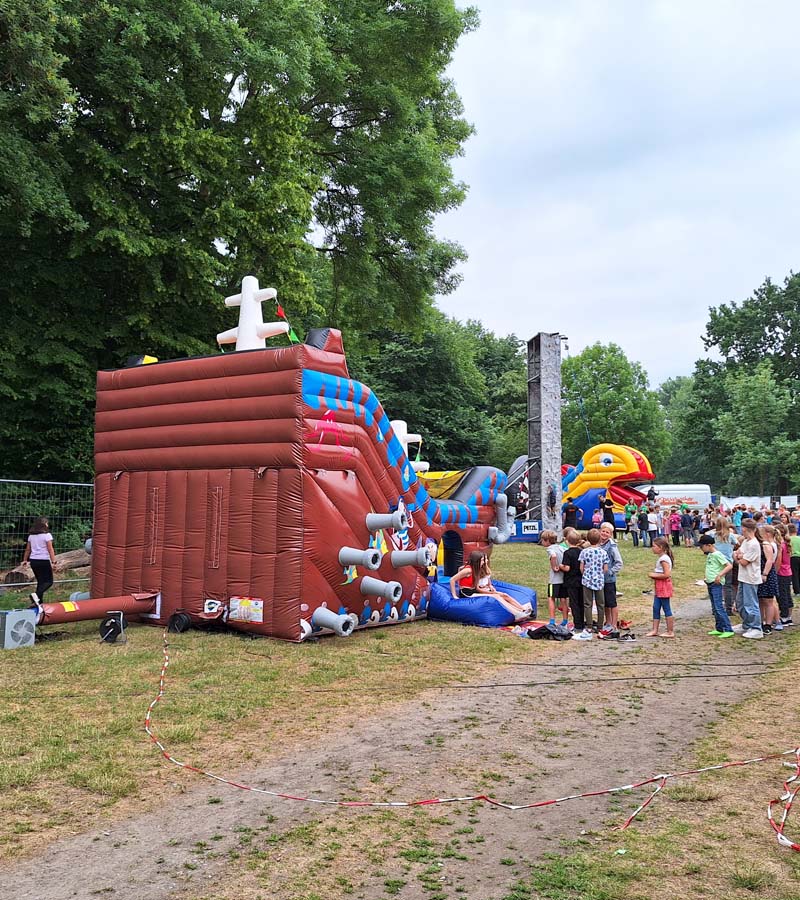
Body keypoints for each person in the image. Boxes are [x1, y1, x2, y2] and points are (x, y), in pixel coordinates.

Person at [450, 550, 532, 621]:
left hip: (473, 590)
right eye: (482, 560)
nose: (484, 562)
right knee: (497, 597)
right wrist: (454, 595)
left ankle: (522, 609)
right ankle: (516, 613)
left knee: (504, 595)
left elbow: (474, 583)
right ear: (476, 561)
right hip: (467, 593)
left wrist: (489, 588)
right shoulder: (468, 570)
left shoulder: (477, 569)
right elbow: (452, 579)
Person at [697, 535, 734, 637]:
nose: (701, 549)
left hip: (716, 584)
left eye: (702, 547)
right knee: (714, 607)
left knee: (719, 607)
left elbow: (729, 565)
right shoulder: (710, 555)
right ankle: (719, 628)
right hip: (710, 583)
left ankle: (728, 629)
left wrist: (720, 575)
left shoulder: (717, 554)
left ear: (708, 545)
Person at [732, 519, 763, 639]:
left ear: (745, 529)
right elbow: (737, 554)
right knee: (740, 603)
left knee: (751, 604)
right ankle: (746, 624)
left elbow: (744, 561)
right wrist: (738, 556)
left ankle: (756, 628)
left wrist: (739, 557)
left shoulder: (754, 544)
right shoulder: (745, 541)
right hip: (743, 577)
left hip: (751, 578)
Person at [22, 516, 56, 604]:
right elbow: (50, 549)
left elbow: (28, 549)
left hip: (33, 560)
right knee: (49, 581)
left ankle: (38, 603)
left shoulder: (31, 536)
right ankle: (36, 595)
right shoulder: (47, 535)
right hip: (43, 560)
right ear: (44, 524)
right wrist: (53, 561)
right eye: (47, 523)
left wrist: (25, 560)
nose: (48, 525)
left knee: (40, 582)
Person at [579, 528, 607, 634]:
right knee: (601, 604)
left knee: (587, 603)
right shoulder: (603, 552)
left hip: (587, 580)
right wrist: (600, 575)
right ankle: (600, 625)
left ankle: (589, 625)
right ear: (600, 539)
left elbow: (582, 567)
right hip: (599, 581)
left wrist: (585, 574)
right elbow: (605, 568)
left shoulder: (584, 552)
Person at [645, 537, 675, 637]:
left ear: (660, 547)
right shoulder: (662, 558)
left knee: (666, 607)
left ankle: (670, 631)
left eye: (654, 546)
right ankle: (655, 630)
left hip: (664, 585)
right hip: (659, 586)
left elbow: (667, 574)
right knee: (656, 607)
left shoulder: (664, 559)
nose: (652, 548)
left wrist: (653, 575)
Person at [598, 522, 623, 634]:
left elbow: (619, 562)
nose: (604, 533)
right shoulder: (598, 544)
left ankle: (614, 624)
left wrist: (611, 572)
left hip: (609, 579)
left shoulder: (612, 546)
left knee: (612, 603)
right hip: (599, 579)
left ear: (611, 534)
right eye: (603, 531)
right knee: (604, 603)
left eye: (607, 532)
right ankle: (607, 622)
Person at [540, 530, 569, 627]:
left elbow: (553, 555)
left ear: (547, 541)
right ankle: (565, 620)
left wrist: (554, 566)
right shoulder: (561, 547)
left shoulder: (550, 549)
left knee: (551, 598)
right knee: (563, 599)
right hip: (564, 578)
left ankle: (552, 620)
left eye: (542, 541)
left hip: (554, 580)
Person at [563, 531, 588, 639]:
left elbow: (567, 568)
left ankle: (577, 625)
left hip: (571, 581)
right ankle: (582, 622)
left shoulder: (567, 553)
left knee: (574, 604)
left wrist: (560, 566)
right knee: (582, 602)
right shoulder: (582, 551)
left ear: (567, 541)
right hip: (581, 580)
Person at [757, 525, 781, 633]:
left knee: (768, 601)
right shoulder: (769, 544)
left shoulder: (768, 545)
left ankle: (768, 624)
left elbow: (770, 560)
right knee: (762, 600)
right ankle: (761, 622)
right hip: (764, 573)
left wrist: (765, 573)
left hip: (767, 574)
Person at [775, 524, 794, 626]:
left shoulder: (781, 545)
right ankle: (789, 616)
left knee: (782, 595)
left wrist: (775, 571)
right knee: (787, 594)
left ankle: (784, 616)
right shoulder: (787, 544)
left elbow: (779, 560)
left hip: (781, 572)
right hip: (788, 571)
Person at [789, 523, 800, 597]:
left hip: (793, 557)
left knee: (795, 575)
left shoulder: (788, 539)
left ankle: (797, 591)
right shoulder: (799, 538)